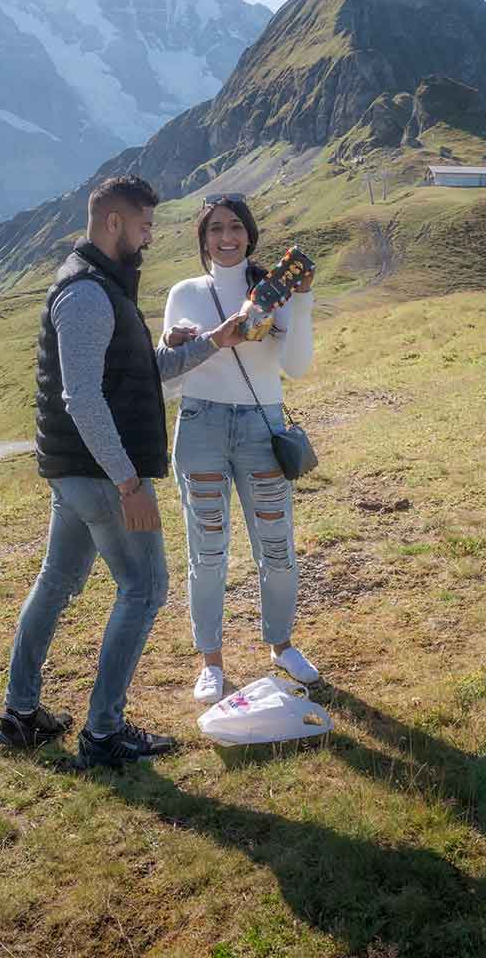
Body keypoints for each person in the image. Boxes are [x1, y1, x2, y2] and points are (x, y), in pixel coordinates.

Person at [0, 175, 251, 768]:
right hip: (100, 474)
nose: (148, 238)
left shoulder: (104, 286)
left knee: (56, 584)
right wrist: (129, 483)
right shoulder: (87, 295)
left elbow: (142, 371)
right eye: (142, 227)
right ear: (114, 223)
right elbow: (83, 399)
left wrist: (214, 341)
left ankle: (20, 715)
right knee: (144, 588)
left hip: (78, 472)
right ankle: (104, 734)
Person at [160, 193, 318, 705]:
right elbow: (165, 383)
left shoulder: (275, 291)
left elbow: (295, 369)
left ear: (250, 234)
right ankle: (210, 661)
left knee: (277, 547)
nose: (226, 239)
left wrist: (304, 301)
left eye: (235, 228)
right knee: (206, 554)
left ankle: (282, 645)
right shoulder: (183, 292)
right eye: (214, 230)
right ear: (202, 239)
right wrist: (187, 341)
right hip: (200, 426)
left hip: (261, 426)